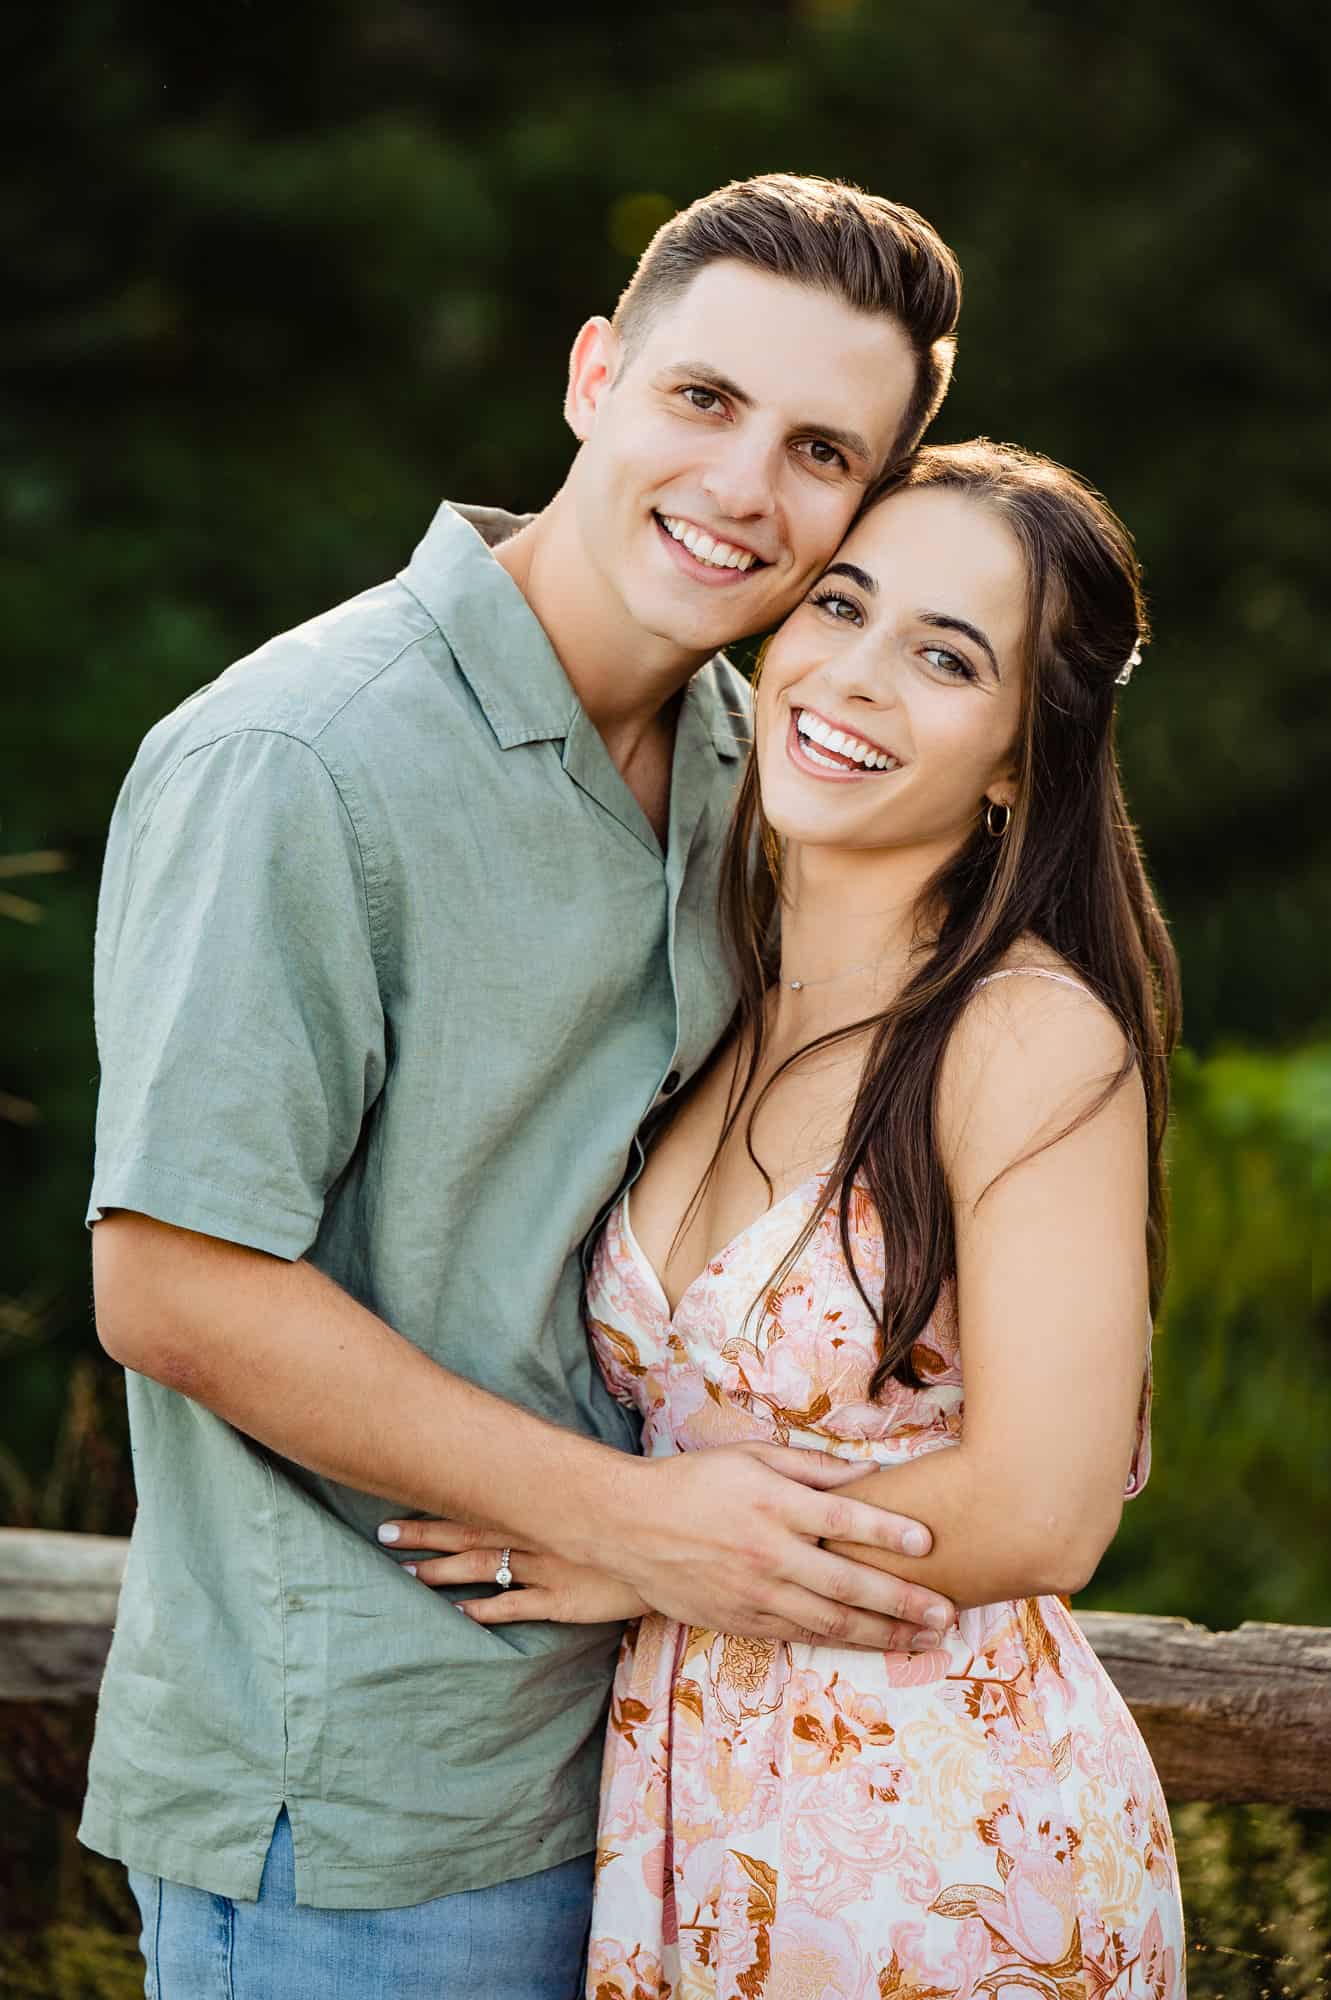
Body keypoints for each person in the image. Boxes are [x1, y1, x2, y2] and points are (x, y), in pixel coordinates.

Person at [81, 176, 965, 1997]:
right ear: (592, 378)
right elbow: (168, 1283)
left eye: (820, 450)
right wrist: (631, 1519)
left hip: (675, 1779)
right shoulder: (298, 761)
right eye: (702, 401)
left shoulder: (762, 773)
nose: (742, 487)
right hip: (367, 1810)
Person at [388, 441, 1188, 1998]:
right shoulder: (708, 996)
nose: (858, 677)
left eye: (948, 657)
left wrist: (637, 1556)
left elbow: (1048, 1504)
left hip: (941, 1850)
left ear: (1024, 752)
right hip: (690, 1819)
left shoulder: (1022, 1033)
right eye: (842, 605)